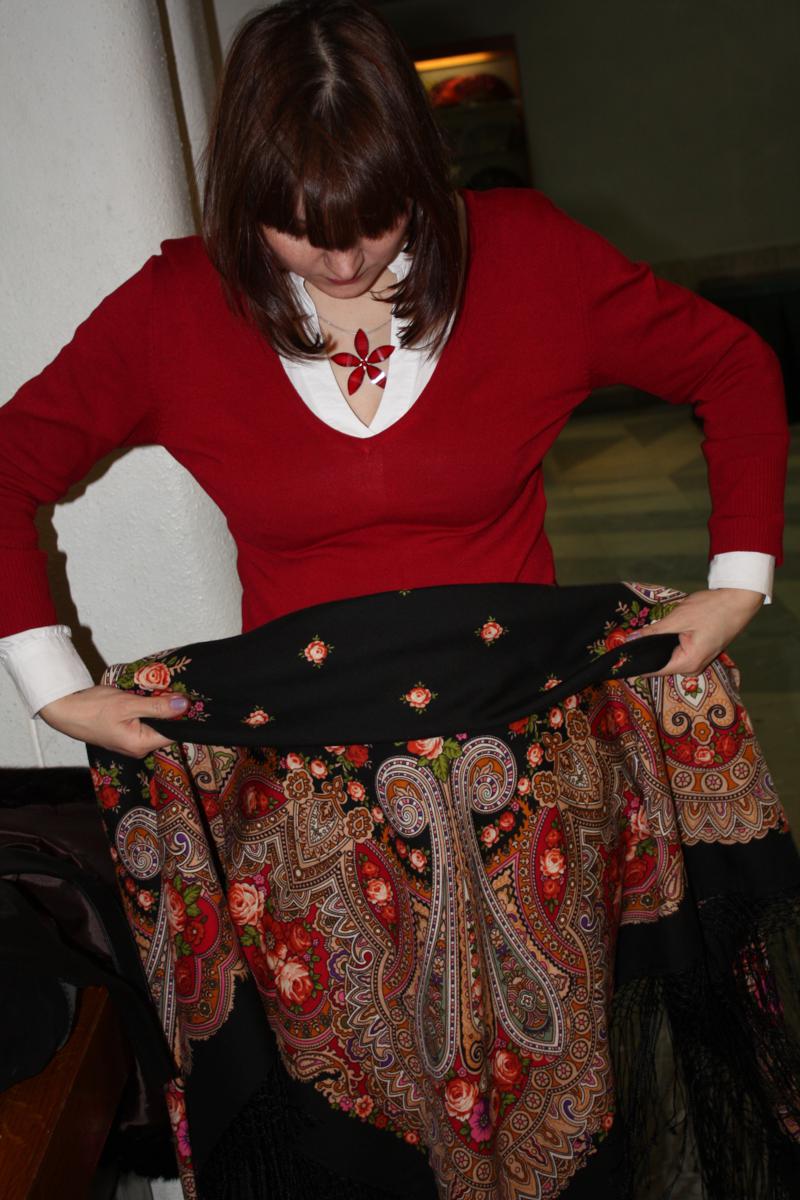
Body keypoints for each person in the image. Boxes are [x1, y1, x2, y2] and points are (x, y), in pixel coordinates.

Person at [0, 2, 795, 1198]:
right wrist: (51, 683)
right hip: (310, 809)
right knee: (361, 1117)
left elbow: (731, 366)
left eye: (373, 218)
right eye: (296, 226)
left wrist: (736, 586)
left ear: (417, 171)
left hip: (534, 780)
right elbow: (10, 462)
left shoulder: (528, 257)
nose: (341, 261)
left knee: (564, 1104)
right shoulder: (177, 307)